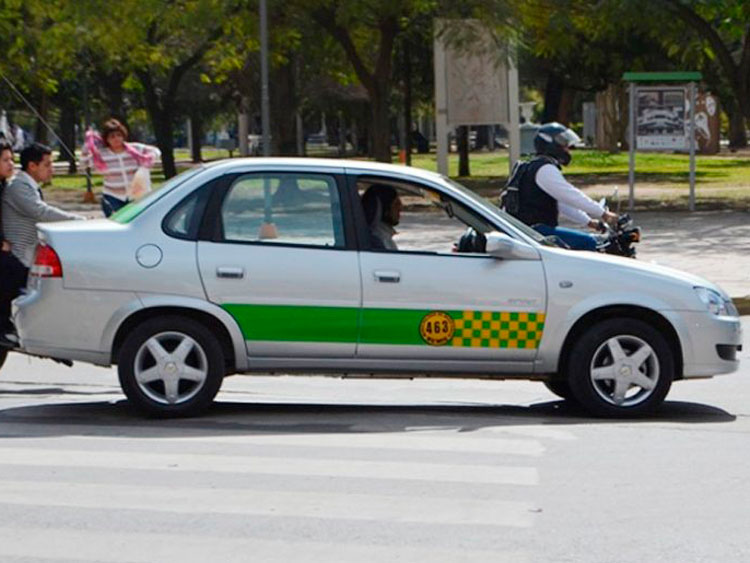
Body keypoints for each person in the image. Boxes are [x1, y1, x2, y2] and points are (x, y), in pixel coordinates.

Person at [510, 122, 617, 250]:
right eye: (564, 145)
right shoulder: (545, 169)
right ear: (551, 144)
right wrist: (603, 213)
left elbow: (561, 203)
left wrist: (589, 222)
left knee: (589, 241)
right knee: (588, 242)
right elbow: (571, 196)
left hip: (528, 230)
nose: (567, 149)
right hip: (535, 232)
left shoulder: (534, 166)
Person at [81, 118, 160, 217]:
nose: (116, 139)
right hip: (112, 196)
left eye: (119, 135)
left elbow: (156, 151)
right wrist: (86, 148)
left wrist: (149, 158)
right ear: (106, 139)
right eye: (112, 137)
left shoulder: (135, 149)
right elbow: (84, 164)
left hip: (136, 195)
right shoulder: (102, 154)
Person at [361, 184, 402, 250]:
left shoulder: (383, 236)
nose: (400, 208)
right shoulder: (378, 242)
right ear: (384, 209)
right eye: (396, 204)